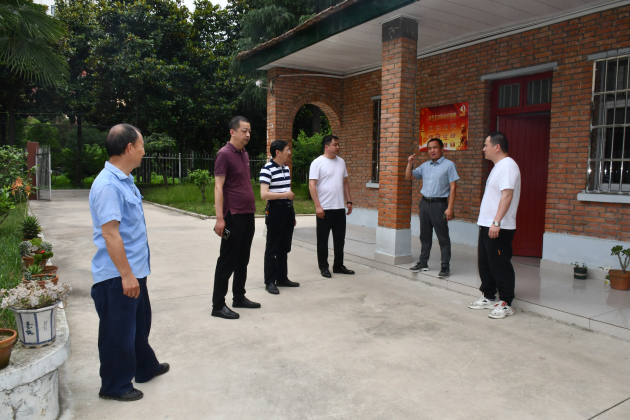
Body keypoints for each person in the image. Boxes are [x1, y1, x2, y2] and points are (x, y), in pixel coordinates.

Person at [89, 124, 168, 402]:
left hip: (134, 270)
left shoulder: (124, 180)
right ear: (129, 148)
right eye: (142, 145)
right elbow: (110, 234)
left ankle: (145, 367)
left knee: (138, 325)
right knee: (117, 333)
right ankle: (114, 385)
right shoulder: (108, 186)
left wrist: (134, 273)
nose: (145, 151)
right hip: (117, 276)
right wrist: (126, 275)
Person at [211, 116, 261, 320]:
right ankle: (218, 305)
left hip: (248, 213)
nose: (248, 135)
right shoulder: (224, 154)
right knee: (227, 259)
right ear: (232, 132)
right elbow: (218, 187)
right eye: (244, 131)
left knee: (243, 258)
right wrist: (220, 218)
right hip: (234, 215)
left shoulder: (244, 153)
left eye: (249, 131)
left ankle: (239, 296)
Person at [468, 131, 521, 319]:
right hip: (487, 225)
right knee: (485, 263)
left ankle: (506, 302)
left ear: (497, 147)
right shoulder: (497, 167)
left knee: (500, 264)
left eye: (486, 145)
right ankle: (489, 296)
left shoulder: (508, 166)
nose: (483, 149)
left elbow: (507, 196)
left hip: (500, 226)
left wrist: (496, 222)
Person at [405, 138, 459, 278]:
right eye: (429, 148)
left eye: (435, 147)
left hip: (439, 205)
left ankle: (445, 266)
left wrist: (450, 208)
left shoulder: (449, 165)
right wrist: (410, 163)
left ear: (442, 149)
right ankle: (423, 263)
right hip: (424, 204)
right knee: (425, 235)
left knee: (443, 237)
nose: (432, 150)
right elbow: (408, 176)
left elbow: (453, 187)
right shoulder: (425, 166)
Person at [308, 134, 355, 278]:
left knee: (340, 240)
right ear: (327, 147)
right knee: (323, 240)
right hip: (324, 208)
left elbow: (345, 182)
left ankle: (338, 265)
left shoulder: (341, 162)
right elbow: (312, 185)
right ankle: (324, 267)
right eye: (335, 144)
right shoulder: (317, 162)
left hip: (339, 207)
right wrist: (318, 206)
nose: (338, 147)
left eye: (338, 144)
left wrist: (349, 201)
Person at [260, 140, 300, 295]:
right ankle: (269, 281)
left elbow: (287, 192)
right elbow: (264, 194)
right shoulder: (267, 169)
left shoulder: (286, 168)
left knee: (284, 247)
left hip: (288, 210)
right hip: (275, 210)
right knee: (272, 248)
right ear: (278, 152)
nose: (289, 152)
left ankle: (282, 278)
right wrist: (284, 195)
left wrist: (291, 213)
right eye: (286, 150)